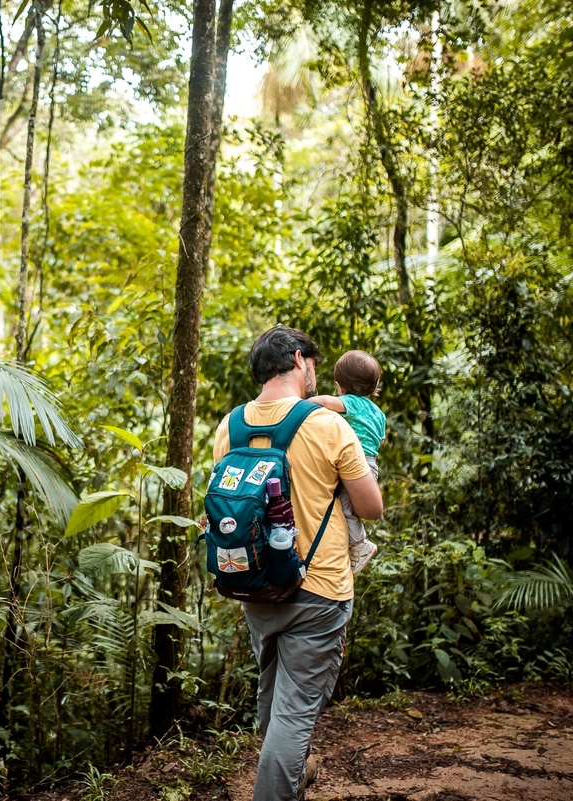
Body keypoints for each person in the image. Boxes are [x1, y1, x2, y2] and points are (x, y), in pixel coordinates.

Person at [212, 326, 383, 801]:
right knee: (295, 713)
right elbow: (370, 508)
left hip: (255, 585)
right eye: (313, 363)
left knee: (274, 702)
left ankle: (293, 773)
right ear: (298, 360)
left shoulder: (231, 425)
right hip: (319, 588)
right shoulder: (329, 425)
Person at [311, 350, 387, 575]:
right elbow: (380, 440)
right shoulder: (377, 412)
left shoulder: (351, 403)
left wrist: (300, 403)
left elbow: (325, 401)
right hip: (370, 463)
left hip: (355, 462)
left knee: (345, 507)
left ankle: (359, 544)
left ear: (339, 385)